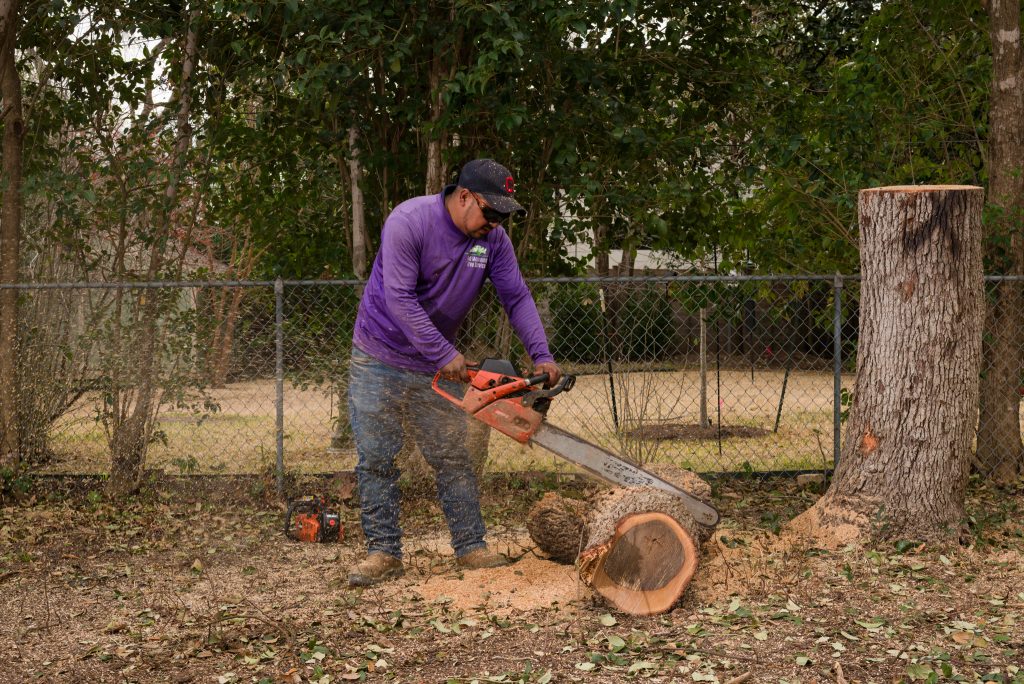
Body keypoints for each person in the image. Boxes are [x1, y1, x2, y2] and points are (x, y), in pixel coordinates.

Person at [346, 158, 562, 587]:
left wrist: (542, 355)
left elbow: (516, 297)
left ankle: (470, 547)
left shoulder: (493, 242)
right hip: (379, 355)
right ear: (464, 196)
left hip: (435, 363)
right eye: (491, 211)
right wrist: (443, 352)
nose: (496, 222)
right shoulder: (409, 221)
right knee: (377, 458)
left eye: (504, 215)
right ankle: (383, 553)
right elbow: (400, 298)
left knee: (451, 456)